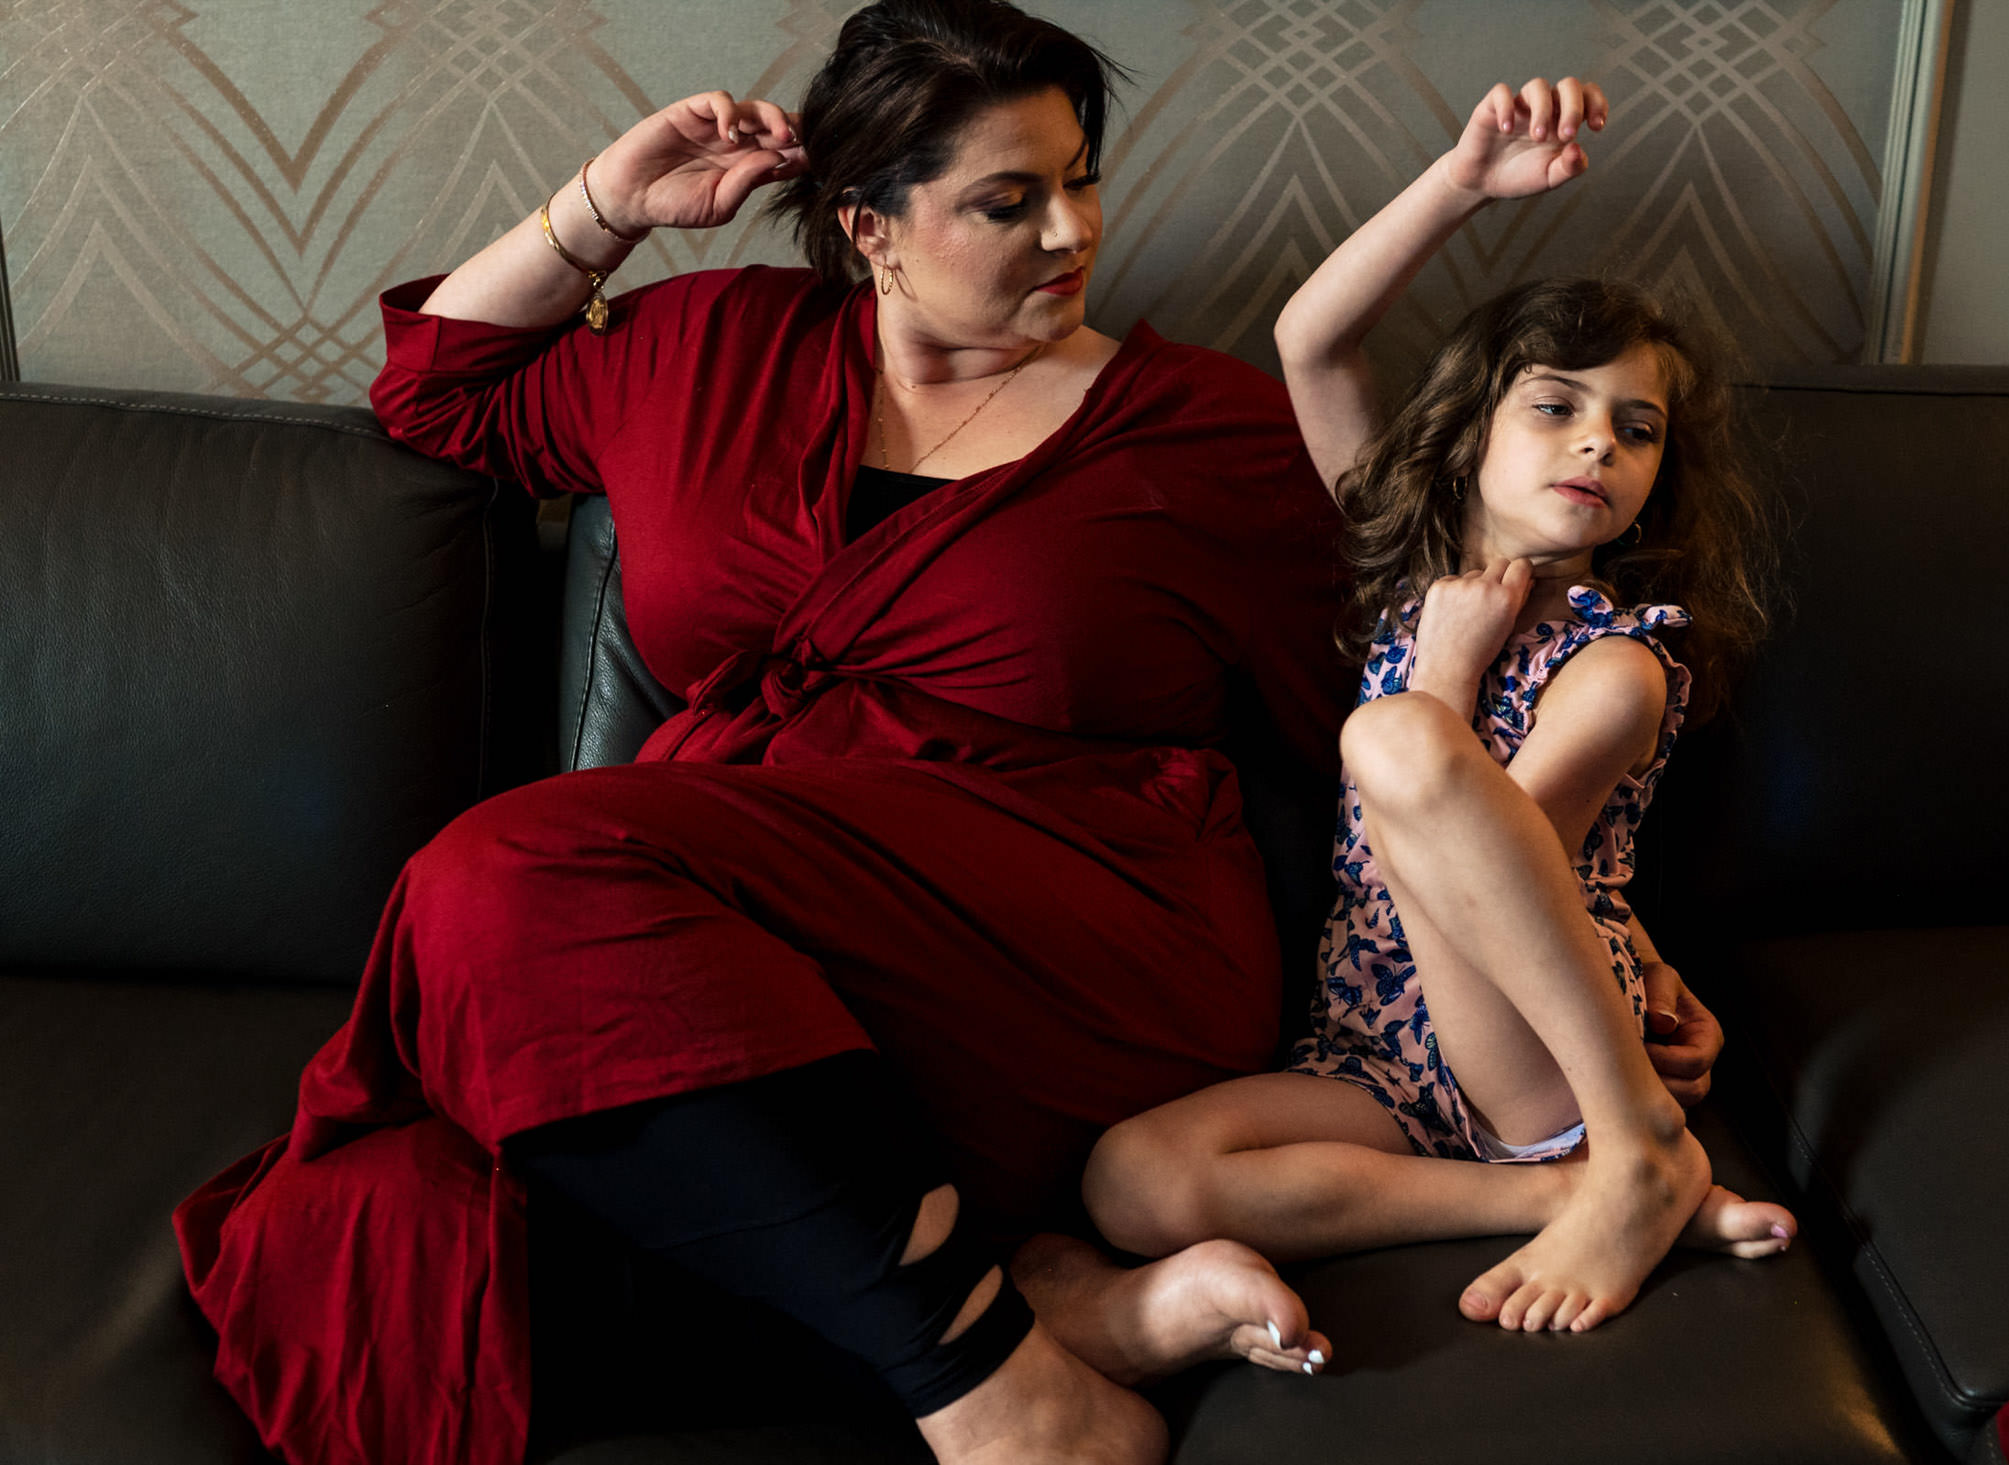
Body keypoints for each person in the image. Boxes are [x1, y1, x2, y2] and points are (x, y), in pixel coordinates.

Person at [168, 4, 1371, 1463]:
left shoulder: (1210, 435)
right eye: (1008, 199)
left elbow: (1382, 721)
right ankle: (1031, 1317)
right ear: (868, 224)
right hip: (740, 955)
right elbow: (436, 387)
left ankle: (1009, 1400)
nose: (1070, 232)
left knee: (499, 878)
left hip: (1072, 946)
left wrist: (1557, 977)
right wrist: (609, 205)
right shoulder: (707, 345)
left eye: (1082, 179)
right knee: (362, 1240)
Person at [1083, 76, 1795, 1340]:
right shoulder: (1415, 580)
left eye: (1636, 431)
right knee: (1133, 1182)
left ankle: (1630, 1143)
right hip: (1380, 1050)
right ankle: (1578, 1196)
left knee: (1399, 735)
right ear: (1466, 433)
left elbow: (1483, 872)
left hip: (1539, 1049)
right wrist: (1462, 181)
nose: (1596, 446)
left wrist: (1445, 678)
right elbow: (1311, 339)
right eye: (1556, 405)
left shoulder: (1622, 665)